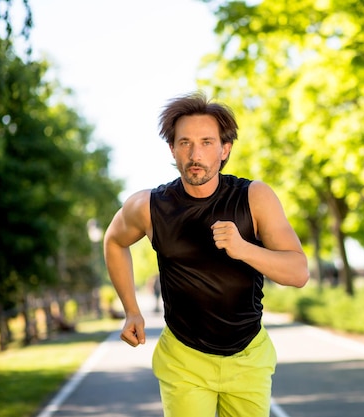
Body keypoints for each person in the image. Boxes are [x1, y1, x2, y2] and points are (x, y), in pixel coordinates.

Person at [103, 92, 309, 417]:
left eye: (206, 142)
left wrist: (243, 249)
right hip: (184, 358)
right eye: (184, 143)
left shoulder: (255, 197)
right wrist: (132, 311)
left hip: (248, 357)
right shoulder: (149, 207)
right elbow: (114, 241)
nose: (194, 153)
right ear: (172, 149)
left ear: (224, 149)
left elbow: (298, 272)